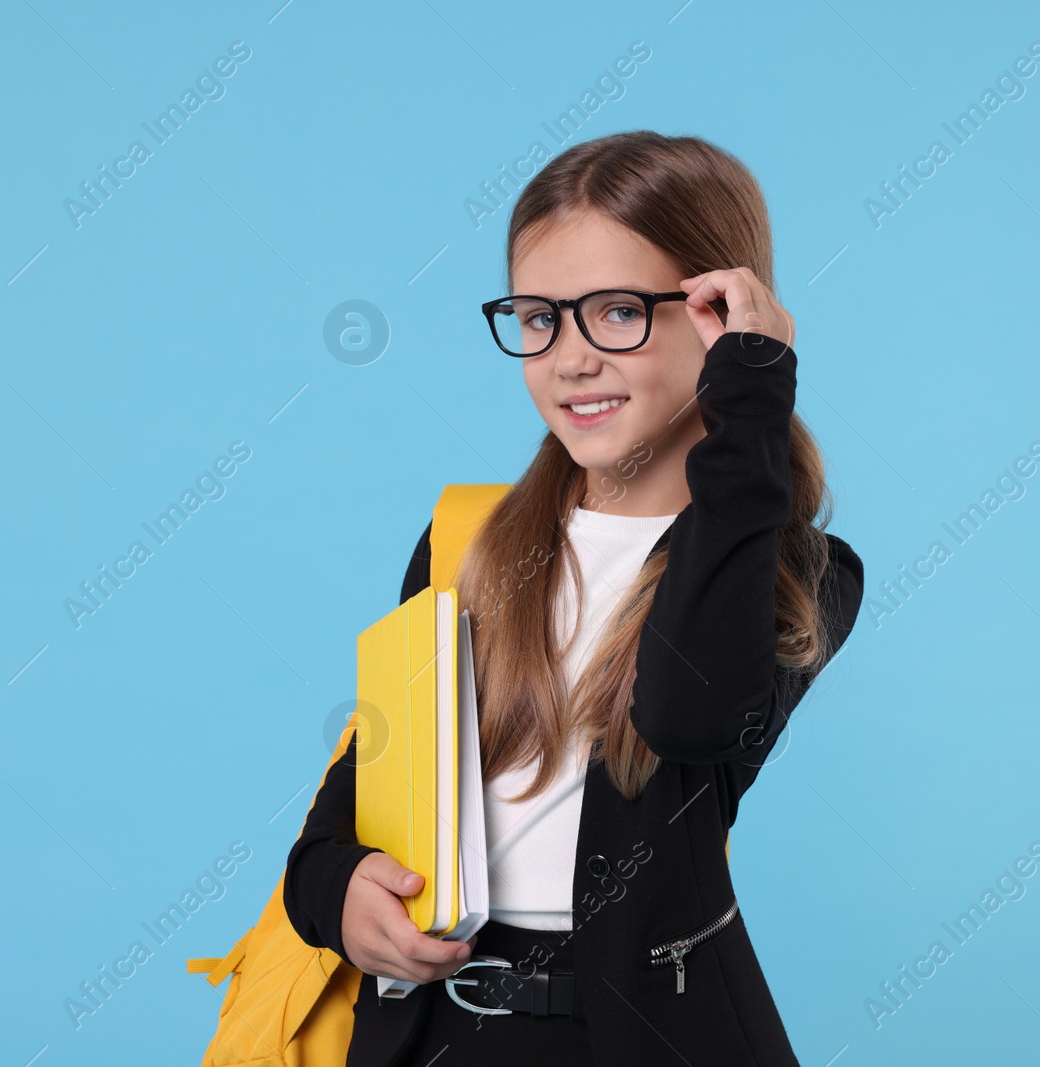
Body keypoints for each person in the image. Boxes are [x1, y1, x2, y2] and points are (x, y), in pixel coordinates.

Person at [283, 129, 866, 1067]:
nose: (570, 358)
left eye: (619, 311)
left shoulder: (801, 572)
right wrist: (339, 889)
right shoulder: (463, 544)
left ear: (723, 317)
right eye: (541, 316)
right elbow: (347, 804)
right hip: (432, 1031)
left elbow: (687, 714)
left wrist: (750, 399)